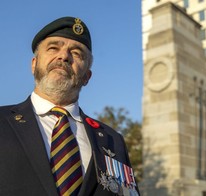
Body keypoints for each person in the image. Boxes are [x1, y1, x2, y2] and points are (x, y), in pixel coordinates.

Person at [0, 16, 139, 196]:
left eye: (76, 53)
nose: (64, 56)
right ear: (34, 65)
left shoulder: (113, 140)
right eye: (53, 48)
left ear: (87, 76)